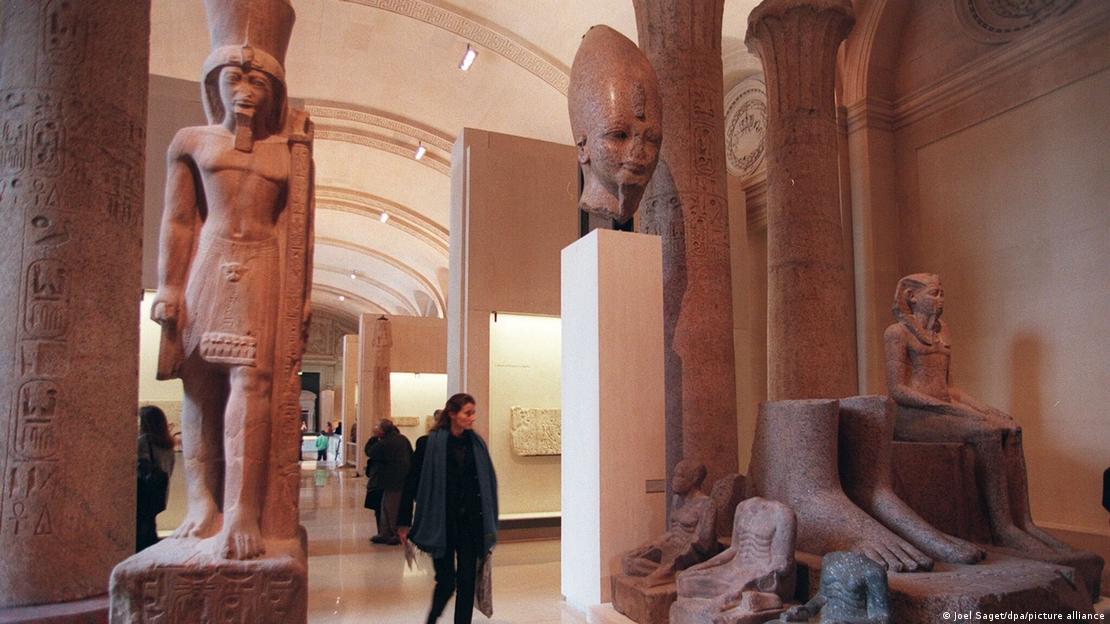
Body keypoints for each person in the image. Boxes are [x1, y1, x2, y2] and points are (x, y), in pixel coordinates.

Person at [149, 4, 314, 560]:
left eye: (260, 80)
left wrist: (303, 293)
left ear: (277, 89)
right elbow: (177, 220)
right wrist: (168, 287)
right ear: (214, 83)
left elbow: (300, 229)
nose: (246, 90)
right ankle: (202, 505)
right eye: (236, 77)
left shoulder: (287, 151)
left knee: (254, 384)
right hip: (209, 259)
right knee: (199, 387)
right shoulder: (191, 141)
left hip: (264, 264)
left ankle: (243, 509)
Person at [884, 273, 1072, 554]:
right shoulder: (896, 333)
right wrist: (957, 412)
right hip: (912, 416)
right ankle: (1003, 528)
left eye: (942, 293)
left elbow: (951, 389)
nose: (940, 300)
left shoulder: (942, 330)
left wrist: (990, 411)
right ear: (912, 297)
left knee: (1010, 429)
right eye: (934, 293)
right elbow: (898, 390)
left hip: (941, 410)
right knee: (985, 432)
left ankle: (1024, 522)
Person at [401, 394, 499, 624]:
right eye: (468, 413)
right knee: (446, 580)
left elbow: (486, 483)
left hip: (470, 523)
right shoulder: (428, 445)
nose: (472, 418)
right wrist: (403, 522)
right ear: (453, 414)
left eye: (473, 412)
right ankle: (432, 618)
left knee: (467, 580)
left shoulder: (476, 445)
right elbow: (410, 483)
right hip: (441, 523)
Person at [366, 419, 412, 545]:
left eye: (377, 427)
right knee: (386, 506)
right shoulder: (402, 439)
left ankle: (395, 534)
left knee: (391, 508)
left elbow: (370, 451)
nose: (375, 428)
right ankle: (385, 533)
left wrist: (374, 437)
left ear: (382, 430)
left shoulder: (386, 442)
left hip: (393, 480)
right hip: (398, 479)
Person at [136, 406, 175, 552]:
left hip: (143, 494)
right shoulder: (169, 446)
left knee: (141, 532)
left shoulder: (143, 442)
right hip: (159, 495)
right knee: (150, 528)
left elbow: (140, 468)